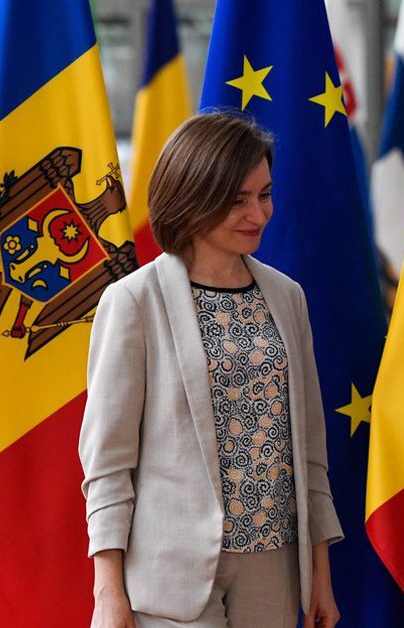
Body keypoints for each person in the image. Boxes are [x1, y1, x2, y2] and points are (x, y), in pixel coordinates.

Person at [79, 112, 342, 628]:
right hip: (170, 577)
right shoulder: (133, 301)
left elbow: (310, 452)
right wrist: (107, 593)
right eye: (237, 200)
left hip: (274, 568)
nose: (257, 214)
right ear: (192, 197)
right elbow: (107, 464)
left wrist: (320, 576)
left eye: (264, 195)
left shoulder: (287, 297)